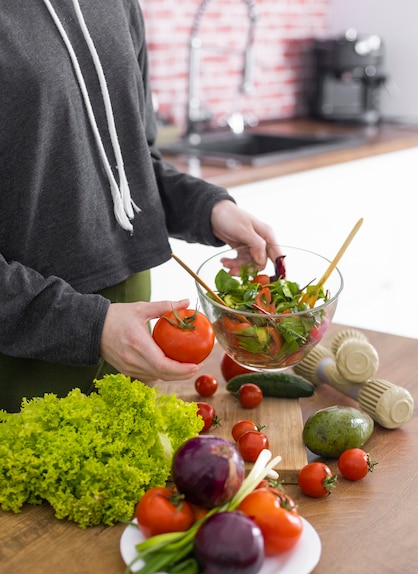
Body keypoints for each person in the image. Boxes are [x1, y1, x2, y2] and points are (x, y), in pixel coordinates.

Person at [0, 0, 281, 412]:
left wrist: (208, 209)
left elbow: (132, 160)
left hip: (130, 313)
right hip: (25, 342)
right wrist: (90, 326)